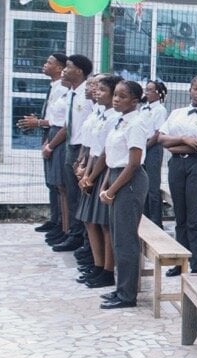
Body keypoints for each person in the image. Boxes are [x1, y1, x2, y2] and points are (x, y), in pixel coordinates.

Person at [158, 75, 197, 275]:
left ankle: (196, 265)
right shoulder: (177, 113)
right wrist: (184, 139)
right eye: (196, 88)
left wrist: (174, 146)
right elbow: (162, 138)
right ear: (190, 90)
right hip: (177, 164)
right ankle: (180, 262)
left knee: (195, 217)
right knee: (180, 215)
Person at [97, 80, 149, 310]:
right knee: (118, 238)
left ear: (135, 101)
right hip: (116, 177)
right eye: (115, 95)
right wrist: (106, 184)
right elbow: (112, 157)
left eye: (122, 96)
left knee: (126, 239)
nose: (116, 99)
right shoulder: (120, 121)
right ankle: (121, 288)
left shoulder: (136, 123)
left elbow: (133, 163)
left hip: (129, 182)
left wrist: (112, 189)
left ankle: (128, 295)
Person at [76, 75, 119, 289]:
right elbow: (93, 148)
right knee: (90, 220)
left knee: (104, 224)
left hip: (103, 173)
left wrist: (91, 176)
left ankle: (107, 270)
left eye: (102, 90)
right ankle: (97, 264)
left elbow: (105, 152)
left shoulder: (113, 118)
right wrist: (85, 171)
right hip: (93, 170)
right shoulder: (101, 114)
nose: (97, 92)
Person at [46, 55, 92, 253]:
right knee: (70, 193)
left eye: (69, 67)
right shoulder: (72, 93)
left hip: (82, 148)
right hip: (70, 145)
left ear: (79, 71)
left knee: (81, 194)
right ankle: (73, 233)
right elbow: (68, 124)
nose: (64, 70)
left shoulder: (88, 95)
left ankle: (82, 237)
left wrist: (83, 156)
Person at [19, 51, 67, 234]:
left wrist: (38, 122)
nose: (45, 65)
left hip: (56, 136)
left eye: (49, 62)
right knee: (51, 181)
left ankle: (61, 223)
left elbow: (60, 121)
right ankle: (55, 219)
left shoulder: (62, 89)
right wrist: (38, 121)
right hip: (49, 133)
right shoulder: (54, 86)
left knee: (58, 182)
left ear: (60, 68)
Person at [140, 80, 169, 223]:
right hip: (142, 145)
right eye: (146, 89)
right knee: (143, 184)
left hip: (152, 147)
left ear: (159, 93)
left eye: (150, 90)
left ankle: (156, 221)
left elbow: (158, 132)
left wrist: (145, 146)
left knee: (153, 186)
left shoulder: (160, 110)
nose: (147, 92)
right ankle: (145, 217)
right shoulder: (143, 108)